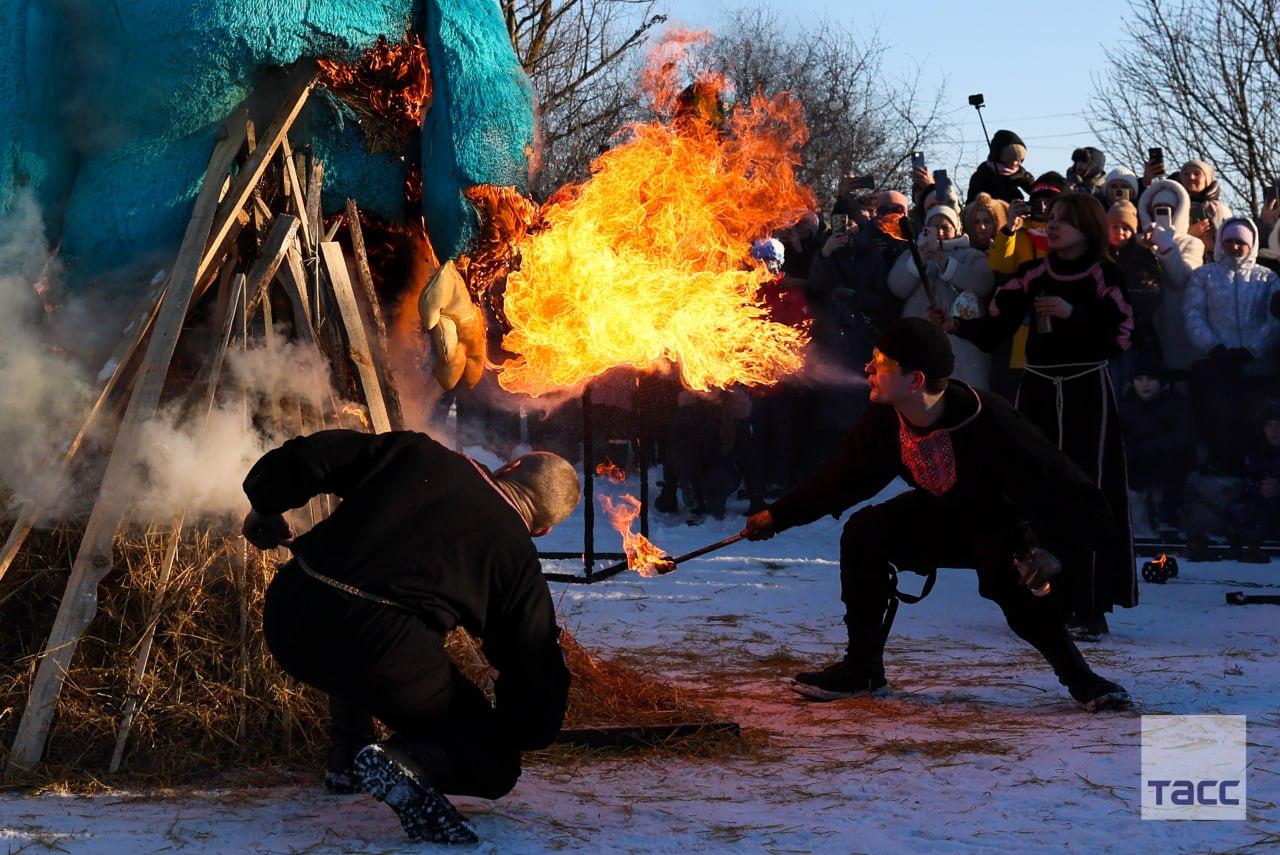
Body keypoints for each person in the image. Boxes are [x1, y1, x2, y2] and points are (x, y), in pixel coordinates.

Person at [740, 318, 1130, 711]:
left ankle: (1083, 679)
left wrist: (1051, 550)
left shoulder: (991, 423)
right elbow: (844, 477)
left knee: (1015, 593)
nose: (867, 369)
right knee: (864, 533)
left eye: (880, 362)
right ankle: (862, 669)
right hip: (942, 516)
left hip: (1004, 524)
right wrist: (778, 516)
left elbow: (1075, 494)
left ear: (915, 380)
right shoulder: (886, 417)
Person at [241, 431, 580, 845]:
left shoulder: (418, 454)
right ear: (542, 530)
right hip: (384, 653)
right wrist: (518, 732)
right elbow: (532, 660)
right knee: (496, 765)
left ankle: (349, 759)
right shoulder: (515, 556)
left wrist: (264, 504)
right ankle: (404, 760)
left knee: (358, 643)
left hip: (290, 613)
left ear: (510, 466)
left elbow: (313, 455)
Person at [937, 192, 1136, 640]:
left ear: (1087, 227)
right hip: (1039, 391)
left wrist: (1075, 314)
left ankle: (1089, 606)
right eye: (1053, 219)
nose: (1055, 225)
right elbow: (993, 330)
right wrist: (954, 326)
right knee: (1033, 488)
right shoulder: (1033, 274)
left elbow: (1122, 336)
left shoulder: (1105, 276)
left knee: (1086, 488)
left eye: (1065, 220)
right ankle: (1042, 598)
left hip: (1086, 392)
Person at [1184, 218, 1280, 475]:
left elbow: (1274, 320)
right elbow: (1193, 314)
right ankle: (1219, 463)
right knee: (1217, 414)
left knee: (1255, 417)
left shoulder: (1268, 278)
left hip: (1257, 364)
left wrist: (1253, 349)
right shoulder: (1203, 276)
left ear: (1251, 244)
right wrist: (1213, 347)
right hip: (1217, 361)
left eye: (1241, 242)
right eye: (1229, 241)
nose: (1235, 247)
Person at [888, 205, 994, 388]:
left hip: (963, 349)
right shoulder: (911, 254)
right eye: (934, 228)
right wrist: (918, 260)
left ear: (957, 229)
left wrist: (946, 264)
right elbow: (896, 286)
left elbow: (983, 283)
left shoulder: (972, 255)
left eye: (946, 227)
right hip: (920, 343)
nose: (940, 232)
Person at [1118, 353, 1195, 535]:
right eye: (1139, 379)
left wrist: (1146, 449)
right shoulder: (1124, 407)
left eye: (1150, 379)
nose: (1144, 384)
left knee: (1177, 461)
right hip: (1135, 466)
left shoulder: (1176, 404)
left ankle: (1168, 520)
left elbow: (1182, 436)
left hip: (1167, 464)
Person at [1135, 178, 1206, 375]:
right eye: (1158, 208)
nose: (1163, 212)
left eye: (1168, 208)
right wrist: (1141, 251)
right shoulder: (1139, 243)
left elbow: (1181, 278)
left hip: (1176, 327)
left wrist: (1166, 248)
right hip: (1146, 326)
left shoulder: (1192, 243)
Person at [1224, 400, 1280, 561]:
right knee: (1238, 508)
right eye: (1269, 425)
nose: (1274, 431)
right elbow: (1247, 480)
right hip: (1261, 505)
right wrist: (1261, 487)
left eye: (1278, 425)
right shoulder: (1256, 453)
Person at [966, 129, 1035, 203]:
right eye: (1013, 160)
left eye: (1020, 160)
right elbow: (971, 202)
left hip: (1017, 210)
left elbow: (1037, 190)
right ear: (1000, 158)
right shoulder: (982, 175)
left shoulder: (1021, 173)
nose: (1018, 163)